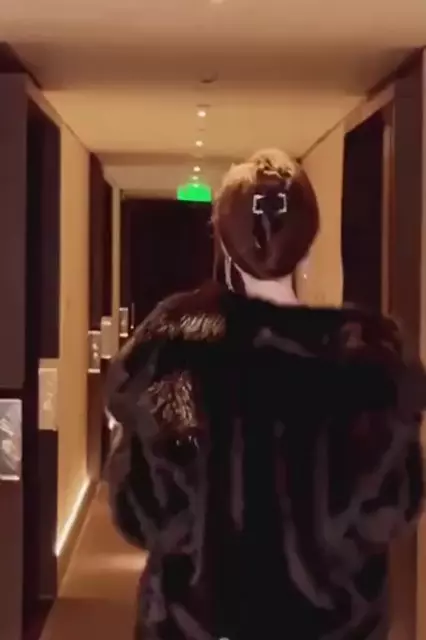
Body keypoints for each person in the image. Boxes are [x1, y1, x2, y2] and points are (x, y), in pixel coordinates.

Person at [105, 149, 425, 640]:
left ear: (225, 246)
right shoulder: (365, 365)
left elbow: (141, 513)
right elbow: (393, 507)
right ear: (309, 245)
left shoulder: (177, 355)